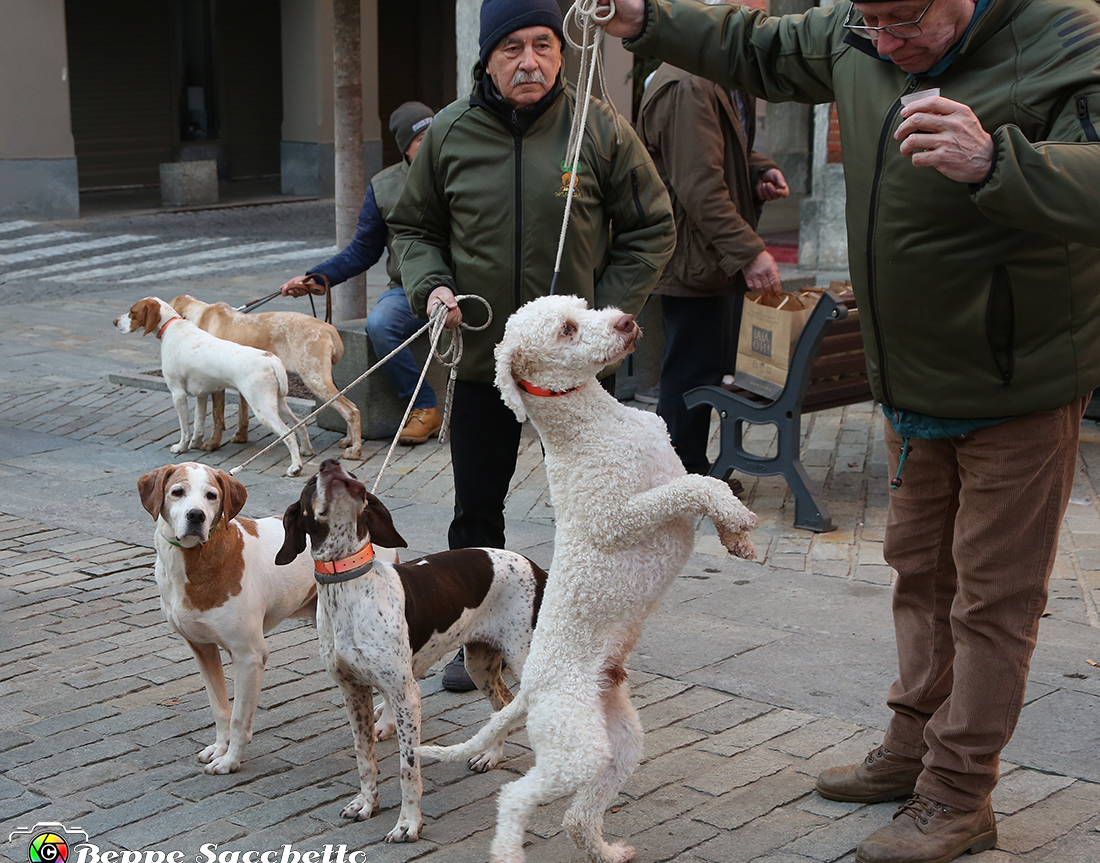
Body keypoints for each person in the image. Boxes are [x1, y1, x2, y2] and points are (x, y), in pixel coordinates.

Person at [602, 0, 1100, 863]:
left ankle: (958, 792)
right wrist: (646, 20)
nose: (887, 42)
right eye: (872, 22)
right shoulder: (859, 32)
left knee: (992, 600)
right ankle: (909, 748)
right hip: (911, 381)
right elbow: (750, 45)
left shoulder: (1067, 35)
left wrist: (998, 162)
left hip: (1020, 382)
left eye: (908, 21)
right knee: (918, 573)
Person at [388, 0, 675, 692]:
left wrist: (602, 320)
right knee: (477, 508)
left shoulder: (596, 130)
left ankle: (583, 639)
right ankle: (474, 641)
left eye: (544, 45)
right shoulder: (451, 132)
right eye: (512, 47)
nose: (530, 61)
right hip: (486, 358)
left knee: (589, 512)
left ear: (562, 51)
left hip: (571, 377)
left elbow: (653, 226)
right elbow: (414, 228)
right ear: (485, 58)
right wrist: (431, 287)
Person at [636, 64, 789, 479]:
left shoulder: (718, 73)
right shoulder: (689, 83)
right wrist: (749, 252)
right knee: (690, 371)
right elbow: (698, 183)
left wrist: (758, 171)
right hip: (694, 256)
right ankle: (676, 474)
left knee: (702, 367)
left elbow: (722, 152)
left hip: (709, 255)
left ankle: (687, 471)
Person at [280, 101, 442, 446]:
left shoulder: (466, 171)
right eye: (421, 138)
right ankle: (425, 407)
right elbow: (363, 250)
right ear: (405, 147)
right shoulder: (384, 187)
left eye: (436, 134)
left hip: (471, 282)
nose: (431, 144)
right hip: (411, 287)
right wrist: (317, 278)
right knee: (381, 324)